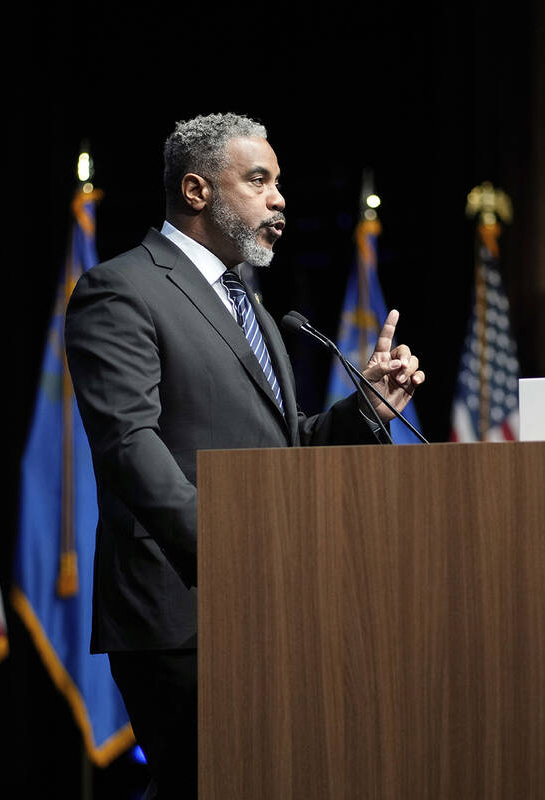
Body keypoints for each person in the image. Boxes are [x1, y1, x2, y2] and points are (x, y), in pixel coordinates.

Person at [64, 112, 423, 799]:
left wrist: (365, 410)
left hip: (267, 603)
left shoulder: (252, 308)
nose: (279, 198)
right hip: (184, 610)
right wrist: (234, 555)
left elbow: (282, 452)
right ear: (197, 191)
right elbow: (129, 446)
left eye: (279, 182)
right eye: (258, 180)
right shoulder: (122, 290)